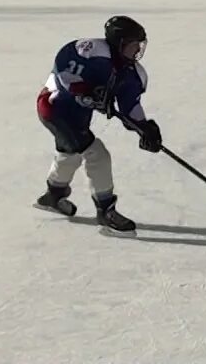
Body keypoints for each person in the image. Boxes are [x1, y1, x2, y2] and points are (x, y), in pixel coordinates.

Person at [34, 16, 163, 236]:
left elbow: (130, 107)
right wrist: (87, 92)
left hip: (78, 116)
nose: (138, 50)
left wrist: (144, 128)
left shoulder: (132, 74)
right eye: (134, 44)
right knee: (97, 154)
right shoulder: (90, 51)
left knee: (71, 153)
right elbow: (65, 76)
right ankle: (106, 211)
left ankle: (53, 195)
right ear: (119, 42)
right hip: (55, 109)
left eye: (140, 45)